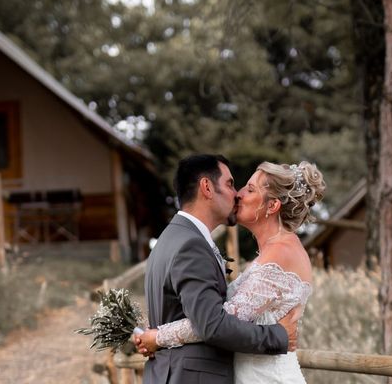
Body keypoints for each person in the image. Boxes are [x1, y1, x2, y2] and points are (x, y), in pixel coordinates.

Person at [136, 159, 326, 384]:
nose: (239, 194)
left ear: (272, 206)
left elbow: (217, 322)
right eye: (237, 185)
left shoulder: (282, 253)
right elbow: (214, 321)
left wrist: (158, 337)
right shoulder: (272, 252)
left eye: (250, 189)